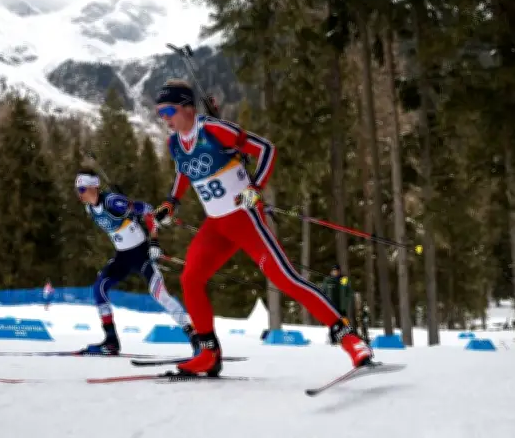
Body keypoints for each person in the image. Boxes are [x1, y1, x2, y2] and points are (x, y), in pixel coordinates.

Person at [151, 79, 374, 376]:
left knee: (285, 279)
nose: (164, 118)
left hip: (245, 218)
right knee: (191, 278)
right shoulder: (174, 143)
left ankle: (350, 339)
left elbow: (266, 150)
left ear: (188, 108)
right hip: (216, 224)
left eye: (168, 111)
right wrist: (171, 202)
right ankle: (208, 353)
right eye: (159, 113)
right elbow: (183, 172)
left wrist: (255, 188)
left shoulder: (215, 130)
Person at [75, 169, 199, 355]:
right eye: (78, 189)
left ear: (94, 187)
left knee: (160, 295)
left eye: (83, 188)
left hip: (142, 254)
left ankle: (195, 337)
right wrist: (130, 216)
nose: (80, 193)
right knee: (99, 288)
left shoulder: (111, 201)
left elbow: (148, 210)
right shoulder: (89, 208)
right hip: (122, 257)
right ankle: (111, 341)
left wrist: (154, 241)